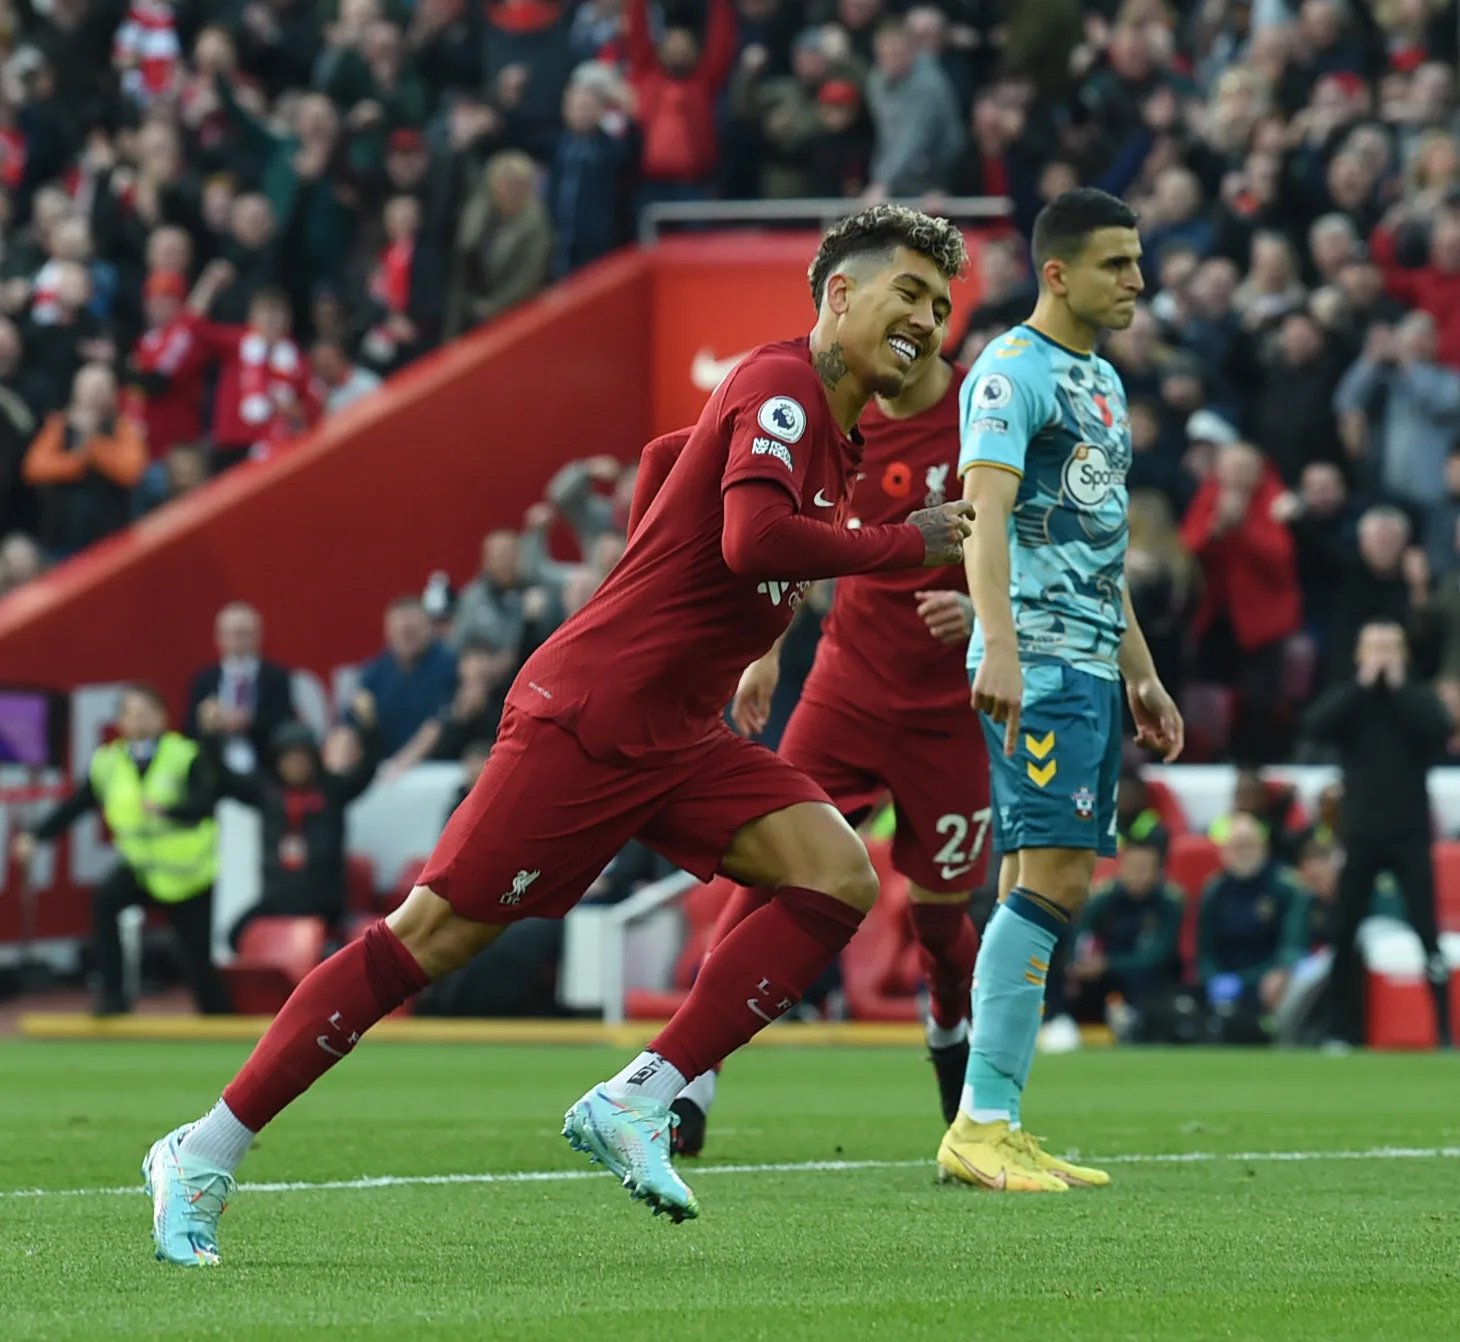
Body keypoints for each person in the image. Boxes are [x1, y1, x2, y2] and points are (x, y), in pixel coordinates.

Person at [142, 204, 974, 1263]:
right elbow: (754, 532)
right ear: (839, 294)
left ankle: (641, 1095)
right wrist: (902, 542)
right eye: (907, 293)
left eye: (941, 307)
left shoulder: (832, 429)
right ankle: (203, 1149)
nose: (926, 320)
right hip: (587, 720)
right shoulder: (781, 386)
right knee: (428, 940)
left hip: (675, 733)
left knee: (833, 874)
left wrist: (653, 581)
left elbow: (667, 454)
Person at [665, 344, 991, 1157]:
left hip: (950, 713)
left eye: (935, 307)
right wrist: (767, 648)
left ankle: (949, 1028)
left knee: (939, 919)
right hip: (845, 691)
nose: (917, 327)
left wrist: (987, 622)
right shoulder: (851, 415)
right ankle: (688, 1080)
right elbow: (805, 530)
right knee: (765, 872)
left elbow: (1026, 538)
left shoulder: (988, 414)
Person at [940, 188, 1185, 1195]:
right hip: (1034, 657)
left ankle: (994, 1117)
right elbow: (981, 520)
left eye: (1135, 260)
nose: (1136, 279)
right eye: (1116, 263)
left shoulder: (1100, 382)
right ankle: (979, 1121)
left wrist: (1142, 672)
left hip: (1086, 657)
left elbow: (1095, 546)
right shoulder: (1008, 374)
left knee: (1026, 880)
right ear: (1057, 273)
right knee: (1056, 882)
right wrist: (995, 643)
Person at [9, 683, 228, 1017]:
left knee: (197, 955)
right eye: (131, 713)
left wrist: (170, 810)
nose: (138, 720)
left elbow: (207, 804)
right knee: (105, 901)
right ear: (121, 721)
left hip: (189, 873)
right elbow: (77, 805)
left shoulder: (184, 754)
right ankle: (113, 997)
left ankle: (216, 1013)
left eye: (145, 712)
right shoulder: (109, 763)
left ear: (162, 717)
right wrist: (36, 837)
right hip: (143, 867)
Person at [1301, 621, 1453, 1048]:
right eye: (1375, 648)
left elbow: (1440, 731)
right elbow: (1314, 726)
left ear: (1404, 653)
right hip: (1361, 834)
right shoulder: (1351, 701)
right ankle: (1339, 1030)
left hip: (1408, 834)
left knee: (1426, 931)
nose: (1383, 656)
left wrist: (1401, 689)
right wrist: (1361, 687)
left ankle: (1442, 1030)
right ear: (1359, 654)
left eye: (1390, 648)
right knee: (1344, 931)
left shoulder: (1418, 699)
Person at [196, 691, 382, 949]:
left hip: (324, 901)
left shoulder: (332, 790)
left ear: (313, 760)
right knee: (233, 936)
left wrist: (368, 725)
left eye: (301, 759)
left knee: (344, 947)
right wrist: (210, 734)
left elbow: (366, 770)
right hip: (278, 899)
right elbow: (220, 776)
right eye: (288, 759)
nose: (295, 766)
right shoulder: (265, 792)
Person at [184, 602, 297, 775]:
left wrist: (248, 721)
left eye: (245, 633)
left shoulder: (276, 677)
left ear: (258, 636)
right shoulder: (204, 679)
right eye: (233, 634)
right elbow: (189, 728)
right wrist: (210, 724)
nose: (238, 640)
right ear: (219, 638)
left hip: (263, 764)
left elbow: (284, 722)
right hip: (217, 764)